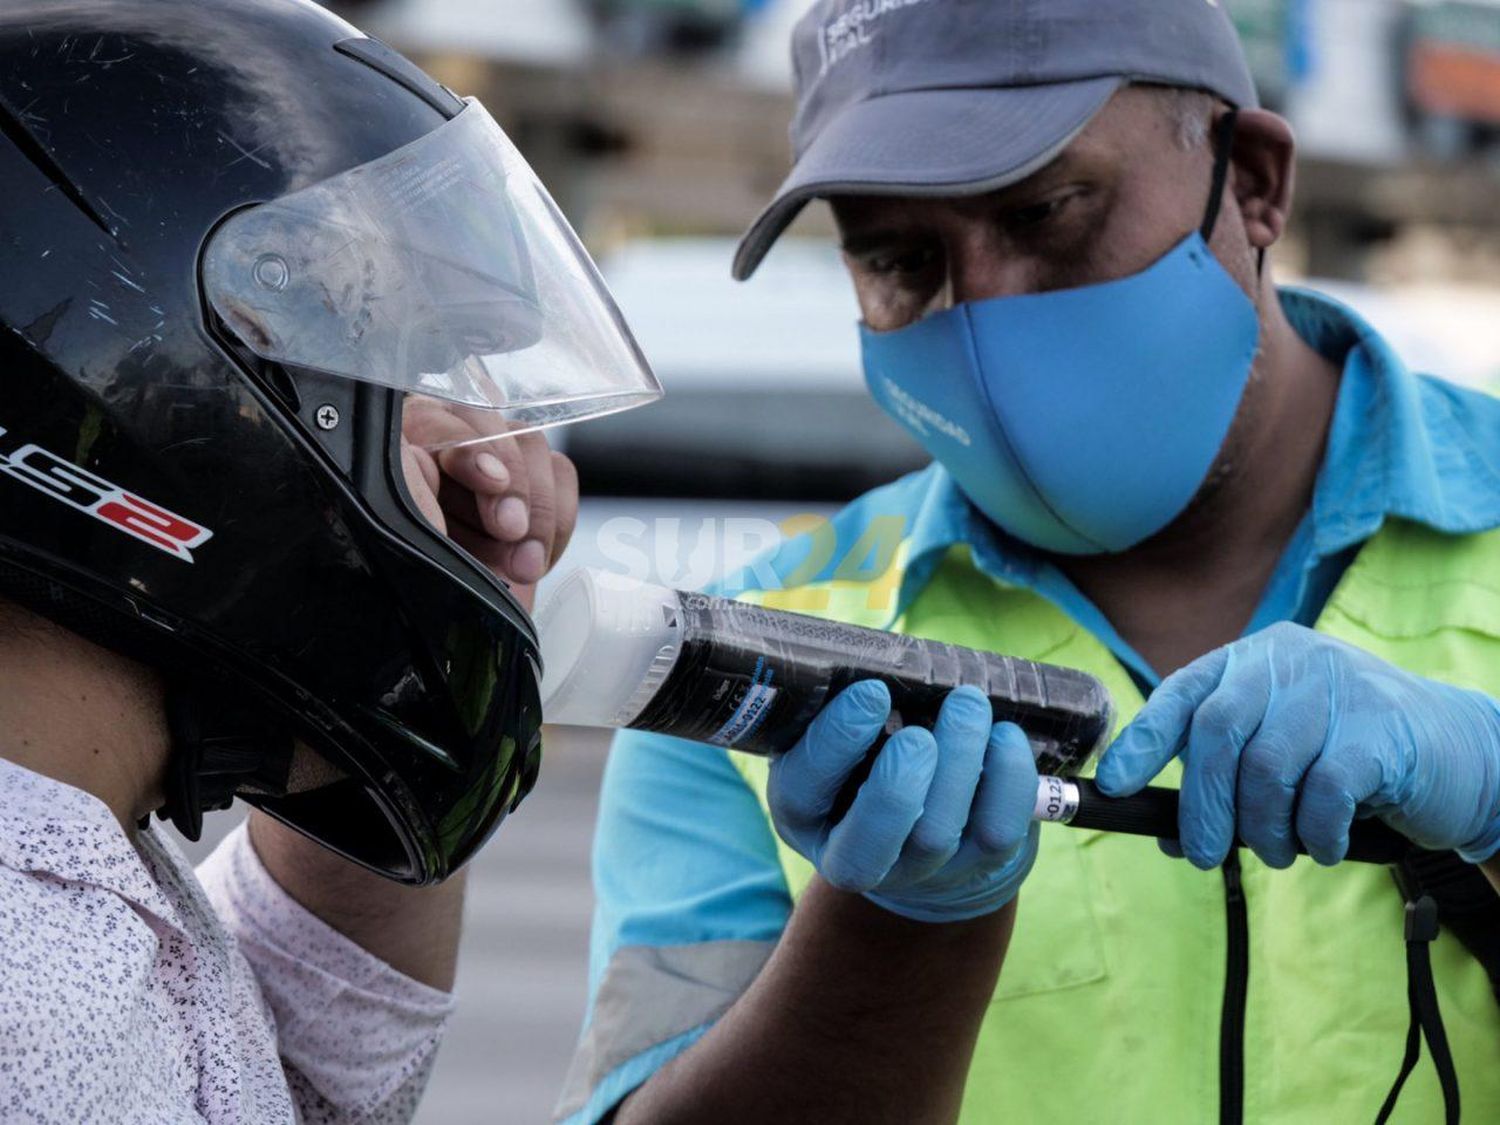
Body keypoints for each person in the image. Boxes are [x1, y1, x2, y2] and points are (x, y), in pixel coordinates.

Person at [559, 2, 1500, 1123]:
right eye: (899, 259)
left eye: (1049, 209)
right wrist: (892, 935)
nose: (984, 311)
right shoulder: (746, 669)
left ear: (1251, 182)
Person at [0, 0, 659, 1120]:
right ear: (204, 408)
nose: (464, 439)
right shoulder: (22, 985)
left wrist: (433, 607)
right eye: (393, 391)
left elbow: (310, 1078)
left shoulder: (72, 882)